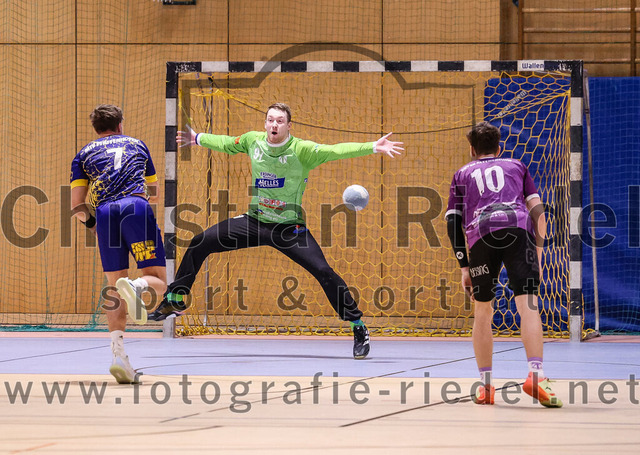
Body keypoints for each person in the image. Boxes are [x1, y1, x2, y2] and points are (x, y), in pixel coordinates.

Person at [148, 102, 403, 359]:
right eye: (270, 120)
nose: (274, 125)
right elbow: (227, 143)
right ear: (265, 123)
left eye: (280, 121)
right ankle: (176, 298)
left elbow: (335, 150)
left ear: (289, 126)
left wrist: (372, 146)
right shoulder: (253, 141)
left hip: (289, 230)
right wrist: (197, 138)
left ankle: (357, 325)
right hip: (254, 222)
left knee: (324, 271)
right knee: (200, 241)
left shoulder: (302, 150)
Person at [445, 121, 562, 407]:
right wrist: (538, 249)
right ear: (499, 148)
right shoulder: (517, 166)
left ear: (472, 150)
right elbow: (537, 211)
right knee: (528, 305)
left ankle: (486, 386)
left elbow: (452, 222)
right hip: (517, 231)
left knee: (482, 310)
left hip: (480, 236)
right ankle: (536, 375)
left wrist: (464, 266)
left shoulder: (462, 173)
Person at [70, 104, 167, 384]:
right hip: (135, 207)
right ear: (120, 124)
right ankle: (136, 286)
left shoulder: (83, 154)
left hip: (104, 214)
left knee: (114, 288)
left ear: (96, 128)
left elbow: (77, 206)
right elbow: (154, 194)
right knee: (158, 281)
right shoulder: (137, 145)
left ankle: (118, 356)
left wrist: (95, 226)